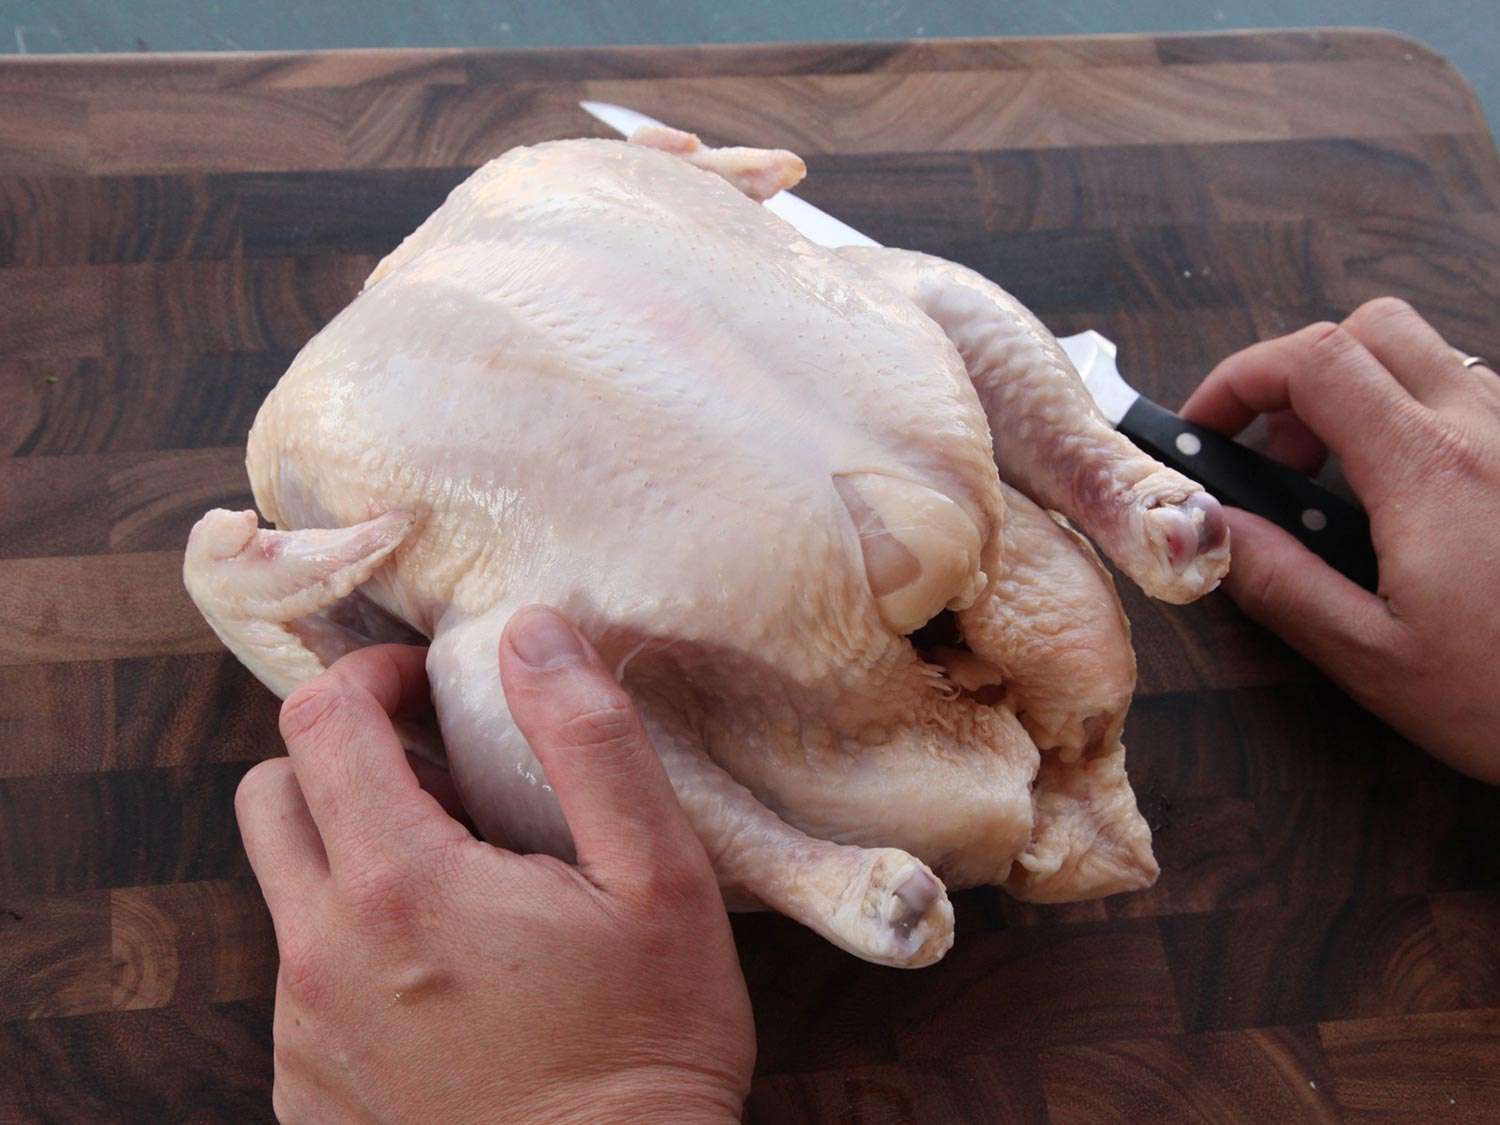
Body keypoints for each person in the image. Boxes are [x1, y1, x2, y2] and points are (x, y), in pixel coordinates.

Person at [235, 297, 1500, 1121]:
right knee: (916, 304)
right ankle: (810, 865)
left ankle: (1114, 492)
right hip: (861, 453)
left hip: (830, 448)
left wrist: (609, 1099)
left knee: (510, 668)